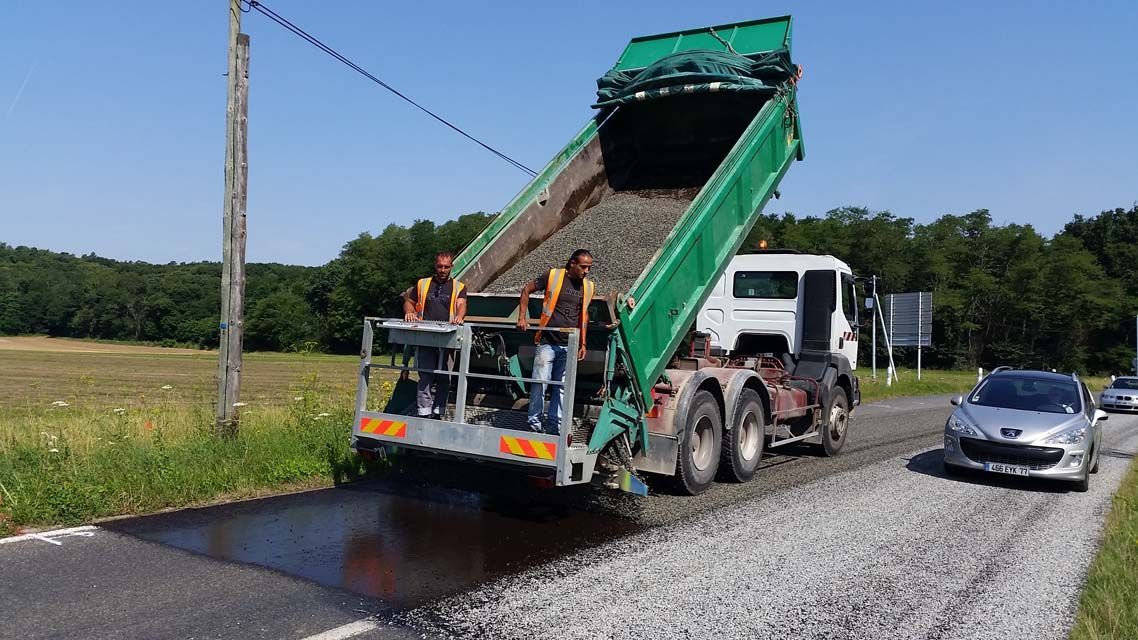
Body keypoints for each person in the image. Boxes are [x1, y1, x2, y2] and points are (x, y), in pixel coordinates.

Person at [516, 249, 595, 434]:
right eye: (583, 267)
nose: (586, 271)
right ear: (572, 263)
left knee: (561, 388)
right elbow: (526, 290)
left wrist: (583, 343)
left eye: (589, 267)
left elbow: (583, 316)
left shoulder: (588, 287)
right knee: (539, 383)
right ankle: (534, 423)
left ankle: (554, 426)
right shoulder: (553, 276)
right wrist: (522, 317)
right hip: (548, 342)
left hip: (571, 344)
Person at [401, 251, 467, 418]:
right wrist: (409, 312)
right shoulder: (422, 284)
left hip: (447, 336)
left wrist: (460, 316)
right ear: (435, 266)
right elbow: (410, 302)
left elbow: (461, 304)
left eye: (446, 267)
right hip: (426, 335)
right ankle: (424, 411)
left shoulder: (459, 287)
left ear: (452, 267)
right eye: (439, 266)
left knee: (445, 376)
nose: (442, 270)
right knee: (425, 375)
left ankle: (439, 411)